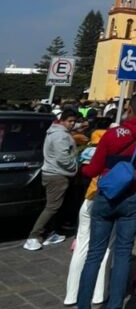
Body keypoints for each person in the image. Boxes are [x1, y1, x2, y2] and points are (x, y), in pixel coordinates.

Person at [70, 92, 136, 309]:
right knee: (123, 254)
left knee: (95, 255)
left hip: (107, 196)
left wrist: (82, 168)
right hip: (134, 196)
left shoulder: (111, 135)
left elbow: (93, 169)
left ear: (130, 110)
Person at [64, 110, 114, 305]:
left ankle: (71, 294)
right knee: (106, 247)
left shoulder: (87, 146)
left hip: (89, 198)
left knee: (82, 246)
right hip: (108, 199)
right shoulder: (117, 150)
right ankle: (99, 293)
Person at [24, 107, 79, 250]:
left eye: (74, 121)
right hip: (58, 175)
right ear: (62, 121)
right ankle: (33, 237)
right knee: (51, 207)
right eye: (69, 121)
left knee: (53, 206)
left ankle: (49, 233)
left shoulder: (54, 132)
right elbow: (63, 158)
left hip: (52, 172)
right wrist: (75, 167)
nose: (72, 124)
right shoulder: (61, 135)